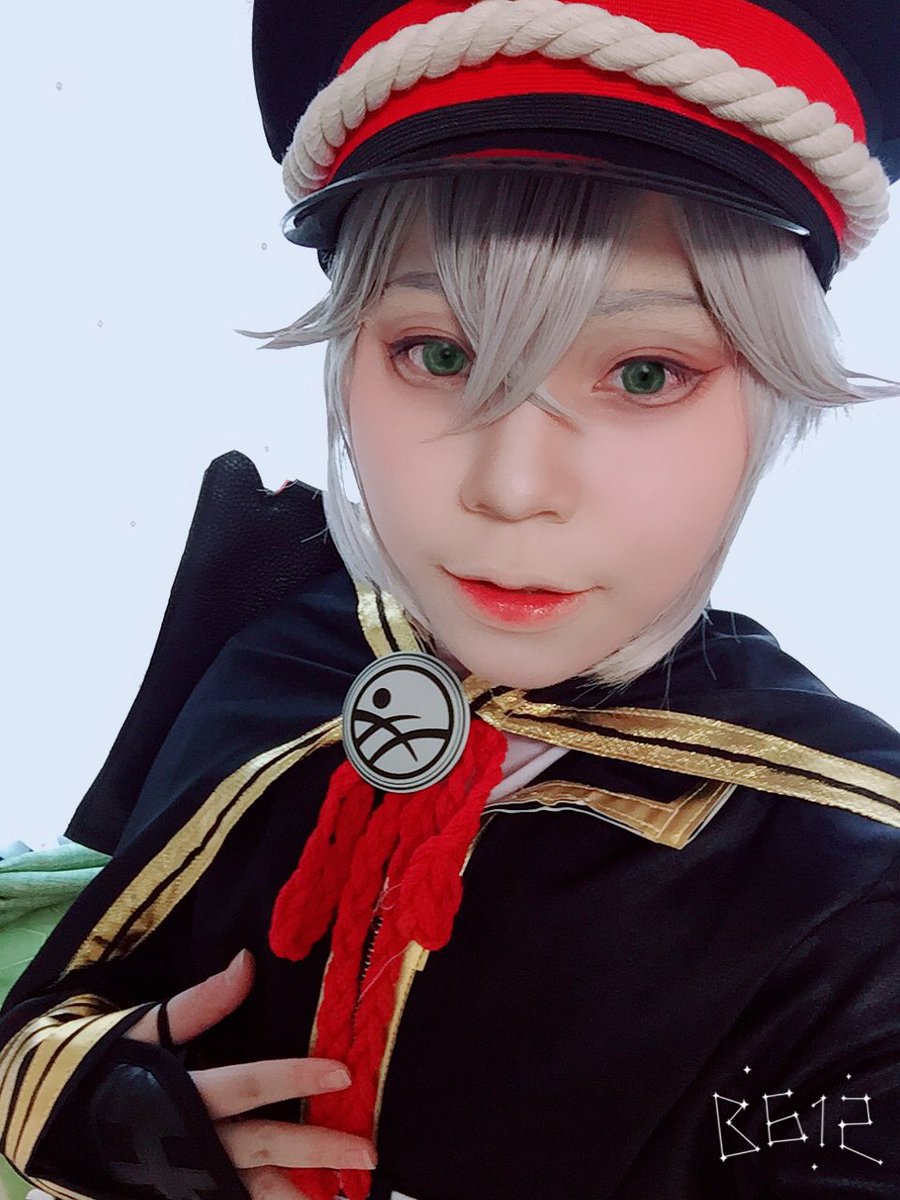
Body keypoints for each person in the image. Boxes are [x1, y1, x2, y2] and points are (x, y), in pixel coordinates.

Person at [2, 1, 900, 1198]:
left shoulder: (849, 879)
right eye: (438, 353)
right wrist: (107, 1116)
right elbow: (63, 1003)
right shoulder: (286, 645)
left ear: (771, 398)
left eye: (646, 373)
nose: (510, 487)